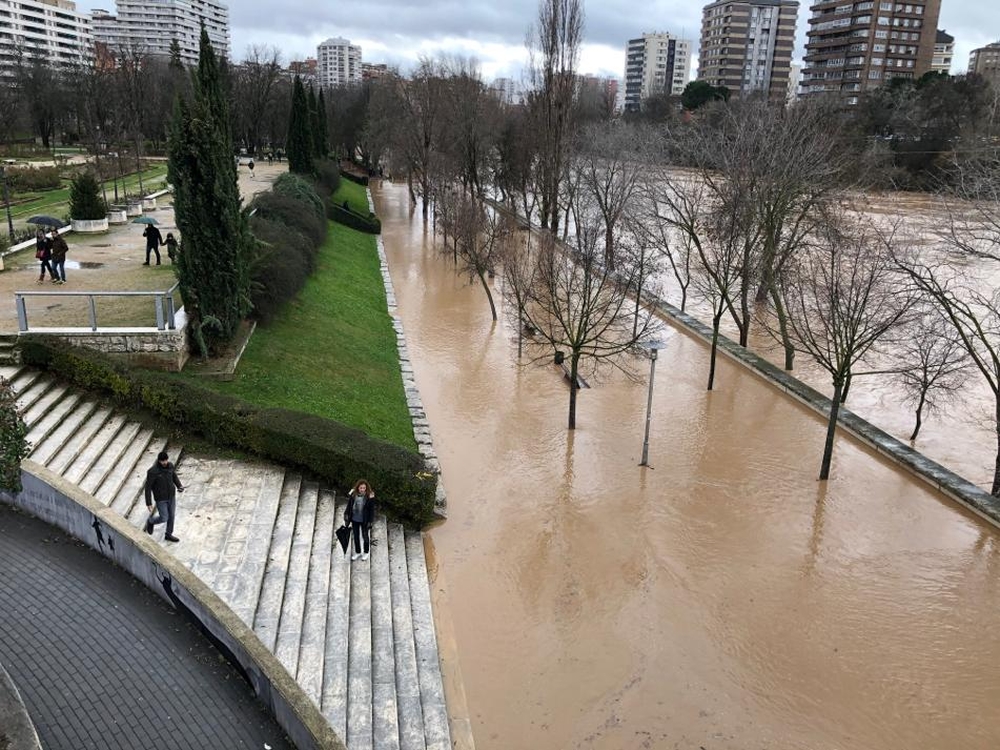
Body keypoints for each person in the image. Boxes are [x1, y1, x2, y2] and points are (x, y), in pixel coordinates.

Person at [144, 451, 185, 541]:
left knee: (172, 516)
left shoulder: (170, 466)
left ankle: (168, 534)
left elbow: (174, 476)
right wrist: (148, 503)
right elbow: (148, 488)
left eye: (166, 460)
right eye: (162, 461)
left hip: (171, 496)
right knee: (164, 517)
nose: (165, 462)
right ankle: (151, 521)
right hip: (161, 499)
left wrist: (179, 486)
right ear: (159, 461)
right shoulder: (153, 472)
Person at [344, 479, 375, 561]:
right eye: (360, 488)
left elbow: (372, 510)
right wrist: (346, 514)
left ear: (366, 488)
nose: (362, 489)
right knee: (356, 537)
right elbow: (349, 506)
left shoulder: (369, 496)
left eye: (364, 488)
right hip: (355, 519)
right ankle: (358, 552)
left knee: (365, 536)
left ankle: (366, 552)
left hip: (364, 520)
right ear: (358, 488)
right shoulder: (353, 495)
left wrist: (370, 521)